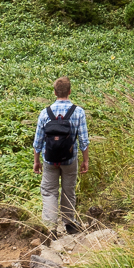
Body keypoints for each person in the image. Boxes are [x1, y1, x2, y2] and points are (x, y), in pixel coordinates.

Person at [32, 76, 89, 235]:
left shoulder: (45, 113)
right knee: (68, 190)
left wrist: (36, 162)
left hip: (49, 160)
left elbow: (38, 141)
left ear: (55, 92)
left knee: (49, 191)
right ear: (70, 91)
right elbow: (84, 140)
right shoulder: (78, 112)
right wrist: (86, 161)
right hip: (70, 160)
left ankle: (50, 227)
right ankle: (68, 222)